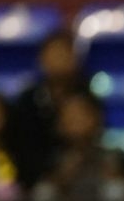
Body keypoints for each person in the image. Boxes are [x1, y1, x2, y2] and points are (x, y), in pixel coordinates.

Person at [5, 29, 83, 192]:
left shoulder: (87, 99)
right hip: (35, 183)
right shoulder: (26, 101)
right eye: (54, 53)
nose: (60, 59)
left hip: (82, 181)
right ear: (41, 59)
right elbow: (20, 148)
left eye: (65, 53)